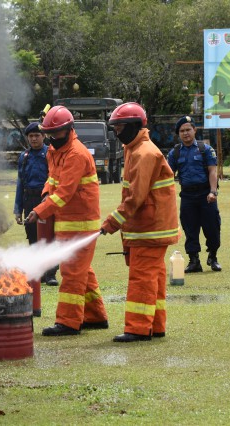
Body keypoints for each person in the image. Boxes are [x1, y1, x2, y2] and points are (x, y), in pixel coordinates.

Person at [25, 106, 109, 336]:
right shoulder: (55, 150)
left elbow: (65, 192)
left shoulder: (76, 154)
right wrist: (44, 194)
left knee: (72, 272)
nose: (53, 138)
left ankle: (68, 323)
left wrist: (40, 210)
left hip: (81, 223)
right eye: (49, 134)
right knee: (83, 271)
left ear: (68, 129)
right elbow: (52, 180)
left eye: (56, 133)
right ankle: (96, 316)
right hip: (66, 221)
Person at [100, 103, 179, 342]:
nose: (117, 132)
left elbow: (135, 197)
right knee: (153, 278)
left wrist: (112, 222)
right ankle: (155, 325)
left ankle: (137, 328)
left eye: (120, 127)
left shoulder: (144, 153)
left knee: (142, 279)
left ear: (134, 126)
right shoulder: (134, 148)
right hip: (149, 227)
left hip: (149, 228)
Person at [167, 115, 222, 273]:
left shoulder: (205, 149)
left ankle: (213, 257)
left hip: (206, 195)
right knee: (190, 229)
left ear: (194, 130)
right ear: (179, 134)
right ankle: (194, 260)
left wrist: (213, 191)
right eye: (182, 131)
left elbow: (213, 171)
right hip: (187, 196)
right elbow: (169, 175)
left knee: (212, 227)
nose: (185, 133)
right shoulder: (175, 153)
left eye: (188, 130)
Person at [13, 122, 58, 286]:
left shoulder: (50, 154)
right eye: (30, 136)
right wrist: (18, 209)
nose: (33, 139)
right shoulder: (24, 157)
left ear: (43, 136)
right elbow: (20, 184)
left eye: (37, 135)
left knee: (49, 236)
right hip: (29, 199)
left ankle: (51, 273)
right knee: (33, 236)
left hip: (46, 198)